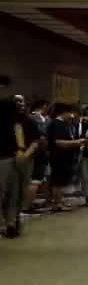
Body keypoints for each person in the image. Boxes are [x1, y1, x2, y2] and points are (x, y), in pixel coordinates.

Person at [48, 103, 85, 212]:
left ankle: (59, 200)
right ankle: (57, 204)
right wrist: (77, 142)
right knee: (57, 181)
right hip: (58, 156)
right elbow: (58, 142)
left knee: (61, 180)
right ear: (64, 112)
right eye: (70, 113)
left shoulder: (63, 124)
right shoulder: (56, 124)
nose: (72, 116)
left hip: (64, 157)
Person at [0, 98, 21, 238]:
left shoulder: (15, 122)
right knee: (11, 194)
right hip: (10, 158)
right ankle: (10, 223)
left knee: (6, 193)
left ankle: (7, 224)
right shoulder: (15, 122)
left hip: (8, 158)